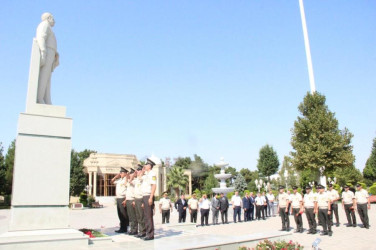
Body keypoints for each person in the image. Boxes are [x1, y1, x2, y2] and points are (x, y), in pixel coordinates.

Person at [36, 12, 59, 104]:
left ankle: (47, 100)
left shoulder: (48, 27)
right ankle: (39, 98)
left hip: (51, 53)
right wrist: (43, 51)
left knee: (47, 79)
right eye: (53, 18)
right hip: (47, 52)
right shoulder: (44, 25)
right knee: (44, 76)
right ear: (49, 18)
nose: (54, 21)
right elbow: (41, 37)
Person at [141, 158, 157, 240]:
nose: (145, 166)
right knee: (146, 216)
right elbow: (140, 178)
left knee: (148, 216)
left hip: (148, 196)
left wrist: (151, 197)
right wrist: (143, 172)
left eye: (146, 164)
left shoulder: (152, 174)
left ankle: (150, 235)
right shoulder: (147, 174)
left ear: (150, 166)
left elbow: (154, 186)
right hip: (145, 196)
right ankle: (147, 233)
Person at [111, 167, 129, 233]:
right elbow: (111, 181)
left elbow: (128, 190)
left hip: (123, 198)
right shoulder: (119, 180)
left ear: (125, 173)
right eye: (120, 173)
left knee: (123, 214)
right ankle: (122, 227)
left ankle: (124, 228)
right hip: (118, 198)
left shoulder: (125, 180)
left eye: (121, 173)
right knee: (119, 214)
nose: (120, 174)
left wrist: (125, 200)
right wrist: (116, 177)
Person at [133, 164, 146, 238]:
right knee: (138, 216)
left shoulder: (143, 178)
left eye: (138, 170)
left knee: (141, 216)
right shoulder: (137, 179)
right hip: (136, 198)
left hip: (141, 199)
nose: (136, 172)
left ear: (141, 171)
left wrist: (142, 172)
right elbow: (130, 181)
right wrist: (135, 175)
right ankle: (140, 231)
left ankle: (143, 231)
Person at [125, 167, 138, 235]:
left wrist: (133, 175)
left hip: (132, 199)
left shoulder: (135, 181)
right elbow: (126, 181)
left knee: (133, 216)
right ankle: (132, 229)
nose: (130, 175)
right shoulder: (130, 180)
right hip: (128, 199)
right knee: (130, 216)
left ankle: (134, 229)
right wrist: (127, 175)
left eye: (131, 173)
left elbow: (130, 181)